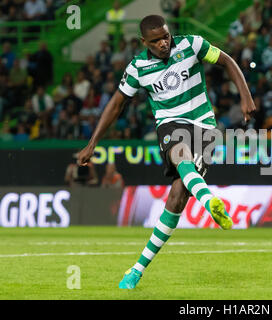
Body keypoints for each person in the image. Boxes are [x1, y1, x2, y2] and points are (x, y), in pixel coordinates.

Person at [76, 15, 256, 289]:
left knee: (177, 198)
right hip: (170, 123)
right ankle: (208, 201)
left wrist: (245, 95)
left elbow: (227, 61)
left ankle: (137, 268)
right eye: (156, 40)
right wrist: (93, 142)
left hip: (205, 125)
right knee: (179, 151)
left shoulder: (192, 45)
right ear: (143, 42)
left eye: (166, 36)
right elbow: (116, 104)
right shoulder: (138, 68)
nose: (163, 43)